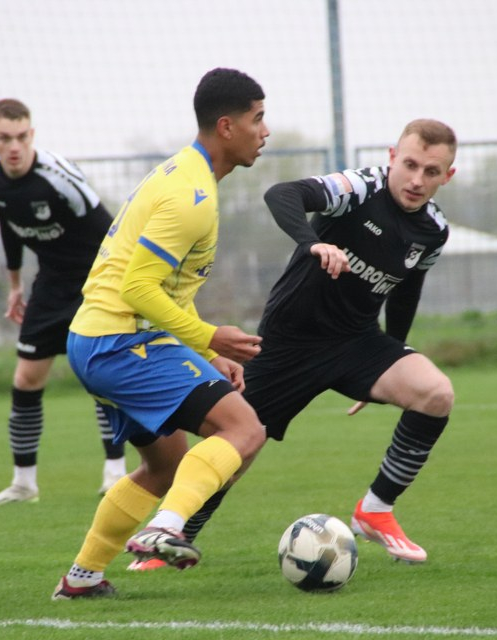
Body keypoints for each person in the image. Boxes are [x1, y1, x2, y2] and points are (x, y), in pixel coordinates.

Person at [162, 118, 457, 566]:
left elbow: (406, 291)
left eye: (431, 171)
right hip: (288, 344)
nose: (417, 180)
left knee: (436, 393)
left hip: (357, 343)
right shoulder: (360, 188)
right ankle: (173, 538)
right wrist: (312, 243)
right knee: (238, 446)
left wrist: (393, 353)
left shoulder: (434, 230)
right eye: (411, 165)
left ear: (447, 176)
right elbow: (282, 194)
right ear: (392, 156)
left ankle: (375, 511)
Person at [51, 67, 270, 599]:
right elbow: (138, 288)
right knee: (244, 430)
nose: (265, 131)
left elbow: (166, 290)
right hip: (122, 342)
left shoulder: (185, 174)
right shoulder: (191, 196)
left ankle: (82, 578)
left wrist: (201, 351)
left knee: (166, 465)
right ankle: (166, 528)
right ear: (226, 126)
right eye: (257, 119)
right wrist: (211, 337)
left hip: (98, 340)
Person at [0, 98, 127, 506]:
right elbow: (8, 225)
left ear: (32, 135)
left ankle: (115, 473)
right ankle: (23, 485)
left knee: (99, 376)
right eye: (5, 138)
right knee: (26, 379)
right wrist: (14, 285)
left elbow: (111, 230)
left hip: (94, 281)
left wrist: (118, 286)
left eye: (21, 137)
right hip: (50, 284)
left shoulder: (59, 177)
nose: (14, 146)